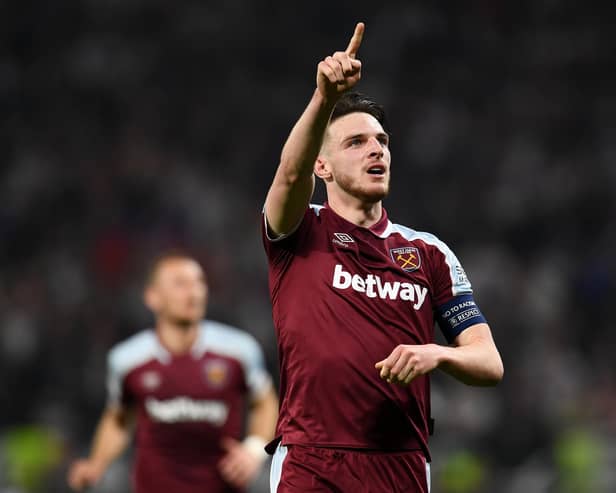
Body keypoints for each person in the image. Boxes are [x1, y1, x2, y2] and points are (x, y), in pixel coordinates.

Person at [261, 22, 504, 493]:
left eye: (382, 142)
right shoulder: (300, 230)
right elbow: (290, 175)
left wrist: (435, 353)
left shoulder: (427, 252)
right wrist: (324, 99)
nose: (376, 149)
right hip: (312, 459)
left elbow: (488, 362)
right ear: (323, 165)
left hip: (402, 463)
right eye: (356, 143)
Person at [67, 252, 278, 493]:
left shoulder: (239, 350)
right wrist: (97, 463)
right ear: (152, 297)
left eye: (199, 282)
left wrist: (253, 450)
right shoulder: (128, 360)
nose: (194, 292)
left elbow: (265, 402)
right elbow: (120, 419)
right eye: (180, 284)